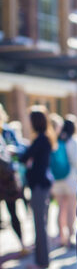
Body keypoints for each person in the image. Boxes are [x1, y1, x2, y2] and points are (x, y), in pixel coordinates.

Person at [19, 106, 55, 269]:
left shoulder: (41, 139)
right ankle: (42, 259)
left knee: (39, 224)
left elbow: (25, 157)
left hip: (39, 185)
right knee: (42, 223)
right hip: (43, 184)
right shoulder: (45, 138)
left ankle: (42, 262)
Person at [51, 114, 77, 248]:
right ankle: (71, 237)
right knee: (72, 209)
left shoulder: (58, 140)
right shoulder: (74, 140)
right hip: (71, 179)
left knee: (61, 209)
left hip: (57, 179)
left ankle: (61, 236)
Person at [0, 105, 26, 254]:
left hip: (8, 178)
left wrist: (13, 150)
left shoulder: (8, 131)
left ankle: (22, 244)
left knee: (13, 212)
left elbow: (21, 149)